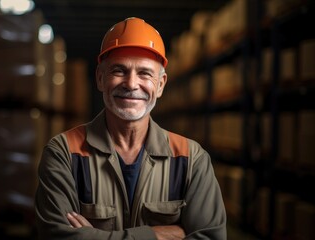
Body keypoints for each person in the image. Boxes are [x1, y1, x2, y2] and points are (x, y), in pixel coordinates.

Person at [34, 17, 227, 240]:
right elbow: (57, 236)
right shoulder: (64, 153)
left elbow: (210, 237)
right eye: (119, 70)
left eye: (145, 73)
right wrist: (154, 235)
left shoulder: (191, 158)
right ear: (100, 78)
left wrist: (93, 235)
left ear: (161, 84)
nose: (131, 84)